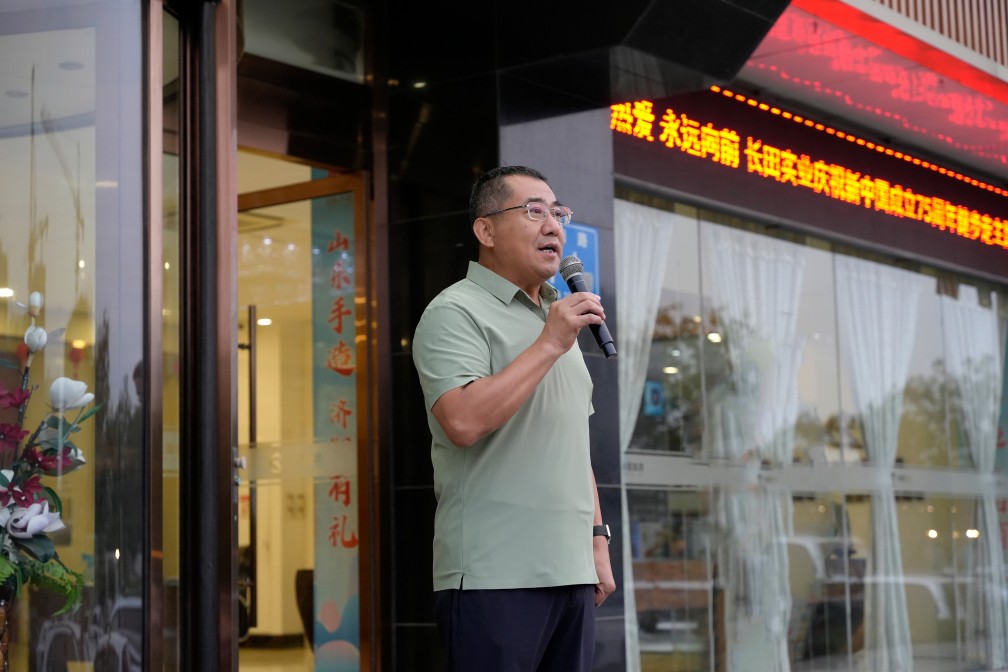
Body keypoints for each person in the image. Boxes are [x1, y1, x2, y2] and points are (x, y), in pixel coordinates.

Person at [412, 165, 616, 671]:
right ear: (485, 230)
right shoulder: (455, 311)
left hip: (572, 572)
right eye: (533, 211)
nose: (553, 226)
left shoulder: (556, 317)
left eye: (558, 213)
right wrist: (548, 344)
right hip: (495, 575)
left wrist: (597, 540)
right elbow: (461, 421)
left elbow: (573, 446)